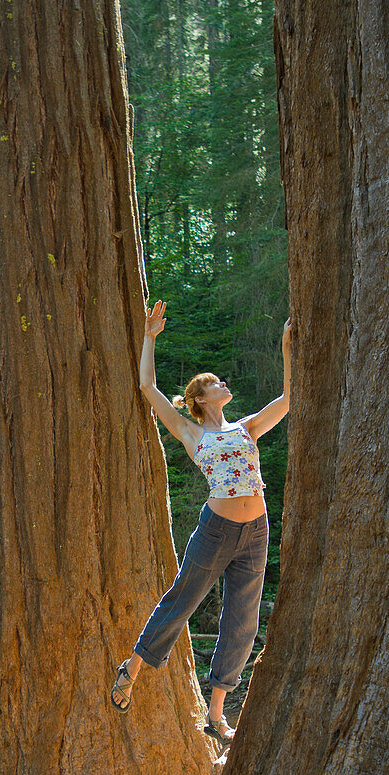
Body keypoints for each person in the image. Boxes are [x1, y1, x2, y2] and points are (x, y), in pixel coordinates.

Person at [111, 300, 292, 749]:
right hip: (216, 530)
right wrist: (151, 336)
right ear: (198, 400)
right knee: (184, 600)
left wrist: (287, 347)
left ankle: (215, 713)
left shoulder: (246, 428)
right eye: (215, 383)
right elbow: (146, 385)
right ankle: (131, 668)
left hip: (256, 531)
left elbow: (290, 400)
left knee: (243, 620)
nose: (223, 384)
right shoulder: (193, 434)